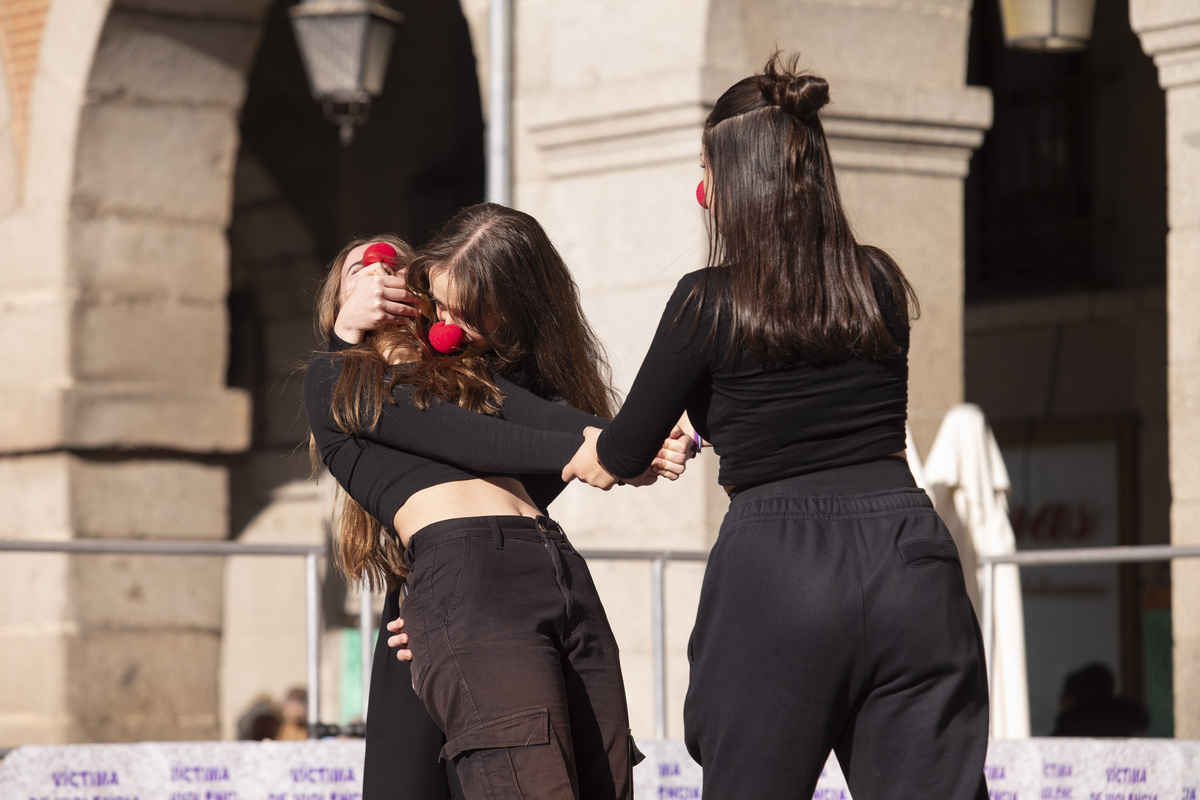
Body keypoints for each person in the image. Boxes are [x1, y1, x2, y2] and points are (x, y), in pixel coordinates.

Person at [561, 54, 991, 799]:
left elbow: (627, 448)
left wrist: (581, 449)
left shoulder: (707, 301)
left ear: (727, 179)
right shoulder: (878, 281)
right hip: (906, 552)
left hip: (778, 561)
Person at [305, 207, 691, 800]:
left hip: (553, 568)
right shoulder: (335, 385)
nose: (380, 277)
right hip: (469, 574)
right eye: (360, 272)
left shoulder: (468, 383)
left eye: (394, 271)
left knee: (606, 779)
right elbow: (465, 436)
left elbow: (554, 421)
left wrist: (628, 442)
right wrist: (346, 334)